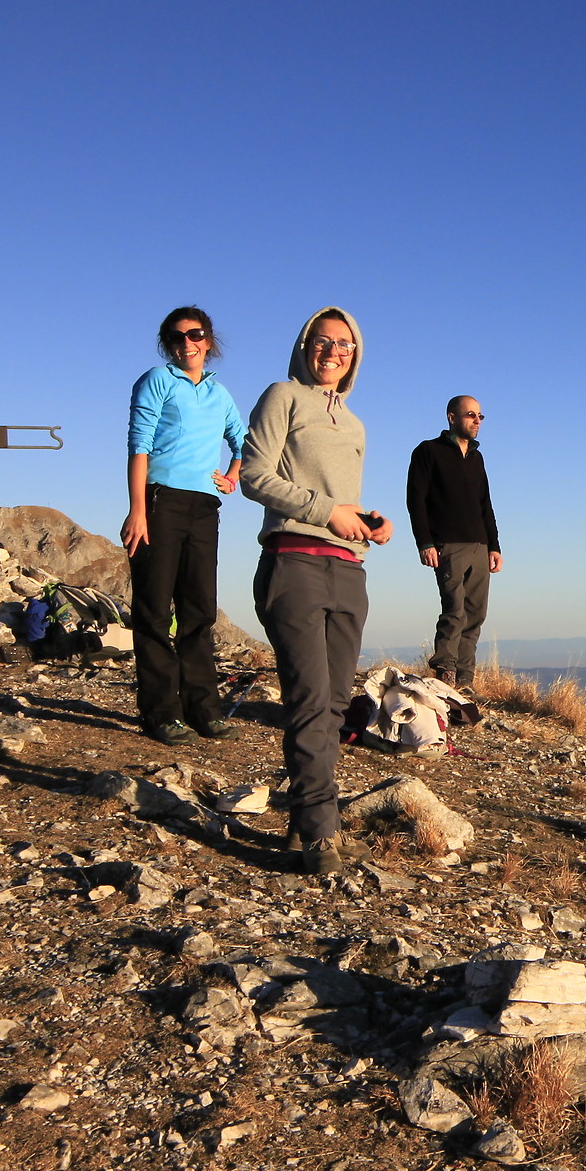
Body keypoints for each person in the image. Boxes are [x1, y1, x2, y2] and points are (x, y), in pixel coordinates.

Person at [239, 306, 393, 877]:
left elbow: (339, 502)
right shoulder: (283, 396)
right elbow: (255, 476)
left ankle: (307, 822)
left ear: (356, 356)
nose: (334, 352)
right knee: (308, 699)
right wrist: (329, 512)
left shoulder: (354, 425)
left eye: (345, 345)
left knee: (333, 704)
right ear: (305, 344)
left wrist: (369, 523)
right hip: (293, 562)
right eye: (323, 342)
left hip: (348, 569)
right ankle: (319, 832)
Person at [122, 306, 250, 746]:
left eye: (194, 335)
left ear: (208, 341)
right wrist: (137, 509)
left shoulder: (220, 394)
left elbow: (243, 438)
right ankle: (161, 713)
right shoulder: (157, 380)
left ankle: (203, 710)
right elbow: (138, 446)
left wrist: (233, 473)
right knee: (155, 611)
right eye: (176, 338)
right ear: (168, 344)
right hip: (160, 501)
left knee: (199, 611)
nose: (186, 344)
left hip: (204, 507)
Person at [405, 395, 501, 688]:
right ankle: (445, 670)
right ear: (451, 417)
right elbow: (415, 500)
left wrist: (494, 546)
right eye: (471, 415)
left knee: (475, 614)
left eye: (480, 416)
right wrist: (425, 542)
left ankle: (465, 680)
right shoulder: (428, 451)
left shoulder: (476, 457)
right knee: (454, 609)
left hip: (480, 545)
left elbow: (485, 503)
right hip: (447, 544)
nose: (477, 421)